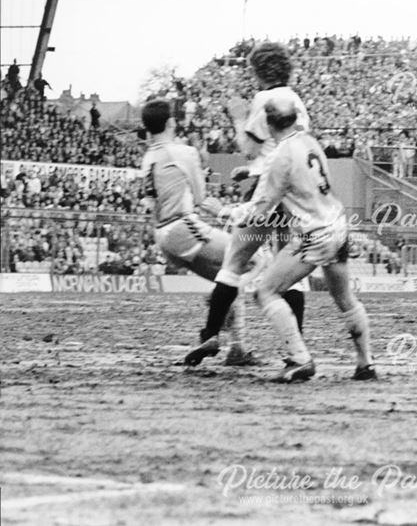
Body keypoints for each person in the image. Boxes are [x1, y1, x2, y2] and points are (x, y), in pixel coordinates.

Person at [184, 42, 310, 366]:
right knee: (290, 269)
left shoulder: (262, 99)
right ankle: (294, 348)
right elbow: (285, 149)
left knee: (234, 263)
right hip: (295, 191)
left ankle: (211, 335)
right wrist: (253, 168)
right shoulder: (295, 100)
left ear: (258, 71)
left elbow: (250, 147)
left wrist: (239, 118)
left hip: (266, 190)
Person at [240, 95, 376, 382]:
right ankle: (366, 363)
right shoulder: (310, 141)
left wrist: (227, 210)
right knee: (345, 299)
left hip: (314, 233)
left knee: (265, 292)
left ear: (266, 123)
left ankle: (300, 359)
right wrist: (254, 172)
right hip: (337, 224)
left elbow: (262, 210)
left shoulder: (279, 156)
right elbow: (296, 172)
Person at [138, 99, 256, 365]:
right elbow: (202, 197)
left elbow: (148, 199)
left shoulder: (148, 157)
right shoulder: (183, 152)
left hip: (164, 237)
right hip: (183, 226)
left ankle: (238, 348)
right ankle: (218, 309)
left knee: (229, 278)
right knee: (256, 258)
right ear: (171, 122)